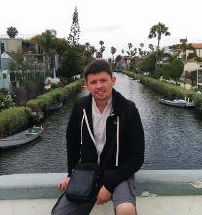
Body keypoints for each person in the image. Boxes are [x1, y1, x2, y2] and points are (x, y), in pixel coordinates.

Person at [52, 59, 145, 215]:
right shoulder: (80, 108)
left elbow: (137, 156)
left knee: (126, 210)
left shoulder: (128, 109)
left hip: (119, 171)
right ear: (87, 85)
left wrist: (108, 185)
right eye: (93, 82)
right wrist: (71, 173)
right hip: (88, 172)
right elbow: (72, 143)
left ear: (113, 81)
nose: (99, 86)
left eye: (103, 80)